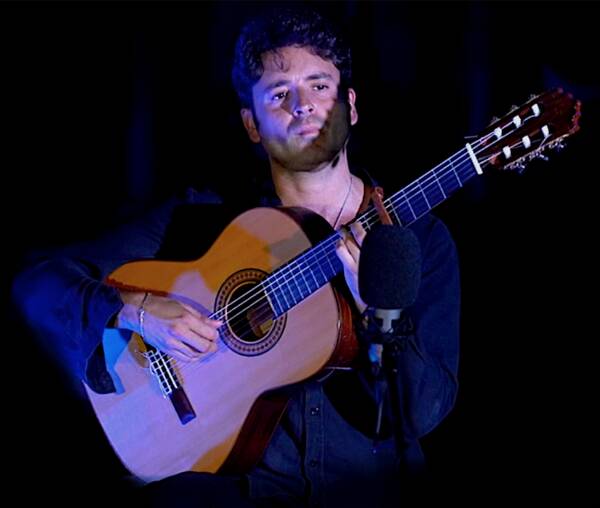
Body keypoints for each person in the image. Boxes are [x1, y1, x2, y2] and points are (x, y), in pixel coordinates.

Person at [12, 6, 460, 507]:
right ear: (251, 123)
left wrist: (378, 312)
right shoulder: (202, 223)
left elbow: (424, 412)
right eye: (279, 93)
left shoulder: (418, 239)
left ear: (350, 107)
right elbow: (40, 283)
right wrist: (138, 310)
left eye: (319, 85)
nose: (303, 105)